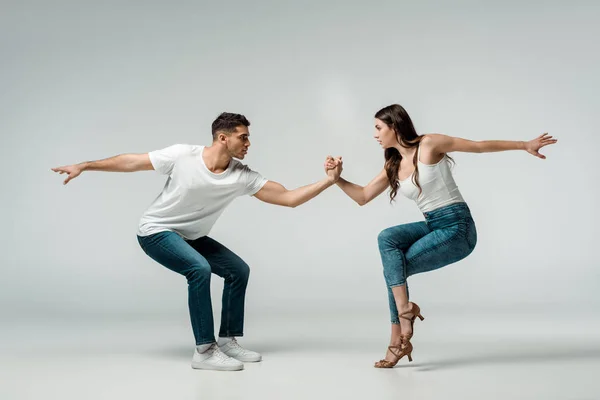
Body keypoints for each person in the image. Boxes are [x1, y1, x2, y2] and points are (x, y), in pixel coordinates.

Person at [52, 112, 343, 371]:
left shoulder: (241, 176)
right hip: (156, 231)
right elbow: (132, 162)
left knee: (238, 270)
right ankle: (204, 350)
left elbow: (288, 198)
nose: (248, 144)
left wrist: (329, 181)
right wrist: (84, 165)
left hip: (190, 237)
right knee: (199, 269)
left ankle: (227, 341)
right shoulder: (183, 155)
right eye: (243, 138)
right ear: (222, 137)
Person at [324, 104, 557, 368]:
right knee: (387, 239)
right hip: (434, 224)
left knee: (394, 273)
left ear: (395, 126)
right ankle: (405, 314)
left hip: (458, 229)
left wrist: (524, 144)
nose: (375, 135)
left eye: (378, 128)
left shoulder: (429, 144)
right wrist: (336, 180)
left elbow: (479, 146)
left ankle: (398, 337)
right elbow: (363, 196)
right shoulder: (394, 164)